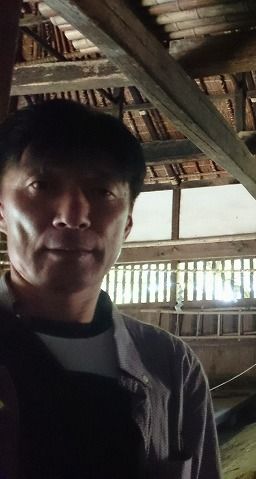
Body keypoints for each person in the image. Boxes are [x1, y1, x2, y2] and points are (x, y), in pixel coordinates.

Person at [0, 99, 221, 479]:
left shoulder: (171, 367)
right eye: (42, 185)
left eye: (102, 191)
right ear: (2, 211)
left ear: (128, 224)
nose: (73, 216)